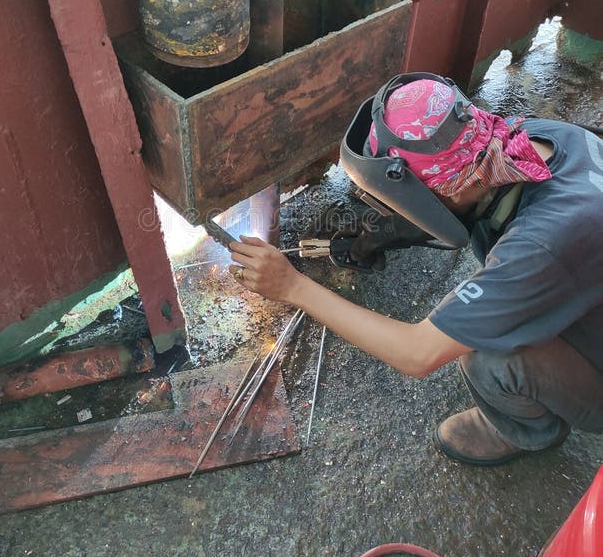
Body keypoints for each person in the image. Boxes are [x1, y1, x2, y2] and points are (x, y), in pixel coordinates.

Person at [229, 72, 603, 466]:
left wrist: (293, 287)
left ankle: (530, 431)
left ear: (453, 188)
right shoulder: (531, 137)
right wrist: (393, 227)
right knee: (486, 246)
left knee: (484, 357)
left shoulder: (542, 246)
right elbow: (466, 205)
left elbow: (418, 353)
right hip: (583, 280)